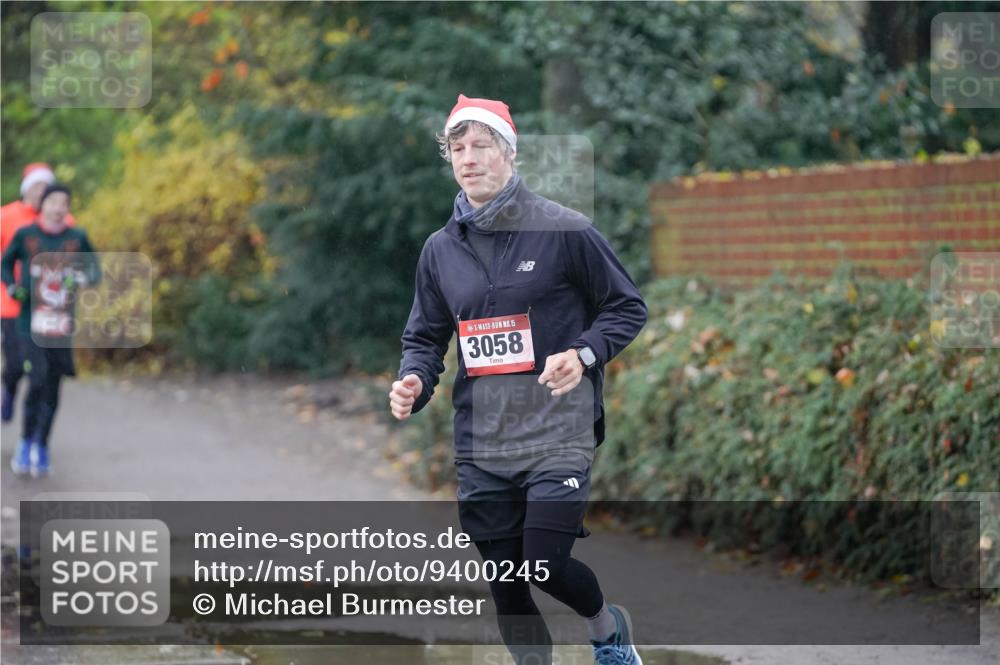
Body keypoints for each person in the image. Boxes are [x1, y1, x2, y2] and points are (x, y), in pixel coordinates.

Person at [390, 95, 647, 665]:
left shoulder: (564, 229)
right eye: (458, 148)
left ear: (509, 153)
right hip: (483, 439)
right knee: (507, 581)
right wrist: (413, 380)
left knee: (544, 564)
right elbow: (426, 338)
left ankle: (607, 629)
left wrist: (582, 353)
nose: (469, 158)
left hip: (559, 429)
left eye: (481, 145)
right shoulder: (439, 250)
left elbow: (626, 307)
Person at [1, 183, 98, 477]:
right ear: (42, 205)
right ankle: (25, 441)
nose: (58, 208)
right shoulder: (26, 234)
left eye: (64, 203)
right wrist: (13, 287)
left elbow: (94, 270)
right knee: (37, 379)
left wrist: (79, 279)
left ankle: (42, 445)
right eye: (53, 202)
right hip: (29, 323)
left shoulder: (77, 237)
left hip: (61, 325)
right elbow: (5, 264)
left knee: (53, 384)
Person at [0, 163, 75, 422]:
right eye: (37, 185)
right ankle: (9, 390)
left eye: (46, 186)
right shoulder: (6, 216)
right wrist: (11, 284)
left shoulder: (65, 222)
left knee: (41, 369)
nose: (41, 191)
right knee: (16, 363)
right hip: (11, 304)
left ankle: (32, 428)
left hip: (48, 306)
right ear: (27, 188)